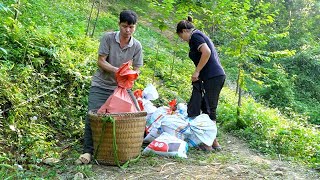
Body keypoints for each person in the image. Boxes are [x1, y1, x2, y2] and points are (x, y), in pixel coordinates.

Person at [75, 10, 143, 164]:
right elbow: (101, 61)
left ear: (135, 27)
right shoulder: (108, 38)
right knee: (93, 115)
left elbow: (138, 68)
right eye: (125, 26)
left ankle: (123, 150)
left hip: (123, 88)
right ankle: (88, 152)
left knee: (136, 114)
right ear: (119, 24)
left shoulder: (137, 46)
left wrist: (130, 74)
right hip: (101, 84)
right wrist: (116, 70)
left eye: (131, 27)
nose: (128, 30)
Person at [176, 16, 226, 151]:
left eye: (181, 36)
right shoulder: (198, 35)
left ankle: (209, 143)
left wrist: (197, 71)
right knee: (206, 106)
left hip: (213, 76)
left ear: (184, 31)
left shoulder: (195, 36)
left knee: (210, 108)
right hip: (212, 76)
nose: (182, 39)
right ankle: (213, 142)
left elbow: (206, 52)